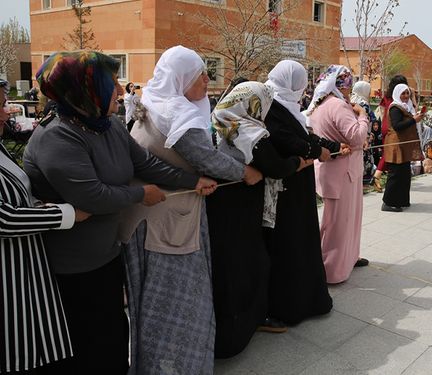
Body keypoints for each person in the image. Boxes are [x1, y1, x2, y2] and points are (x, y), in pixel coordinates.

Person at [22, 51, 217, 374]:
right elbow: (93, 196)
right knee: (88, 345)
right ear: (85, 91)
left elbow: (145, 163)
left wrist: (193, 180)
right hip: (74, 268)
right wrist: (141, 193)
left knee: (112, 337)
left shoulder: (107, 125)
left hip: (106, 255)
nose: (119, 88)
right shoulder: (57, 137)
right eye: (109, 83)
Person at [119, 46, 258, 374]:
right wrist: (244, 169)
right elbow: (207, 159)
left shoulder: (154, 102)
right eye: (200, 75)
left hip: (150, 220)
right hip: (166, 229)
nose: (207, 80)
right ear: (181, 79)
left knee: (154, 305)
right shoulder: (176, 113)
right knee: (179, 307)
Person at [208, 81, 312, 357]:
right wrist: (297, 164)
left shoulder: (220, 117)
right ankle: (237, 331)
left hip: (222, 206)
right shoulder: (248, 130)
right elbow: (275, 166)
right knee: (245, 266)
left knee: (237, 266)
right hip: (239, 208)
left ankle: (239, 325)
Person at [0, 79, 84, 374]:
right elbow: (4, 218)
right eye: (0, 106)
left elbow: (18, 196)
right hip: (9, 276)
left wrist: (38, 205)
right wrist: (66, 214)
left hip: (26, 267)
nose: (7, 112)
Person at [262, 60, 334, 326]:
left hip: (297, 182)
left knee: (303, 239)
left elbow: (304, 135)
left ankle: (310, 299)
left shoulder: (286, 104)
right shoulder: (270, 103)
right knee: (289, 244)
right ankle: (289, 306)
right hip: (284, 186)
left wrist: (327, 147)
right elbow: (282, 138)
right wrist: (316, 152)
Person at [307, 65, 369, 284]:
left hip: (334, 171)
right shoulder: (338, 106)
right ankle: (332, 270)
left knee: (340, 221)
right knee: (339, 223)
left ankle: (348, 258)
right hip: (343, 173)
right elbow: (356, 137)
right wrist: (363, 115)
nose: (349, 88)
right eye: (347, 84)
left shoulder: (321, 105)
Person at [382, 83, 424, 212]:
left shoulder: (406, 106)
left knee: (404, 175)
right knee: (395, 175)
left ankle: (401, 201)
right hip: (396, 145)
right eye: (403, 93)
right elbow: (397, 126)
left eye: (407, 93)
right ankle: (388, 203)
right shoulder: (395, 107)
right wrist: (413, 120)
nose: (406, 96)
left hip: (403, 145)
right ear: (397, 94)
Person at [370, 75, 408, 193]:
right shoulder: (401, 96)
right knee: (389, 152)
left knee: (387, 151)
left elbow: (381, 111)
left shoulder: (387, 96)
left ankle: (378, 175)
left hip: (385, 125)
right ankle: (377, 176)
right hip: (395, 126)